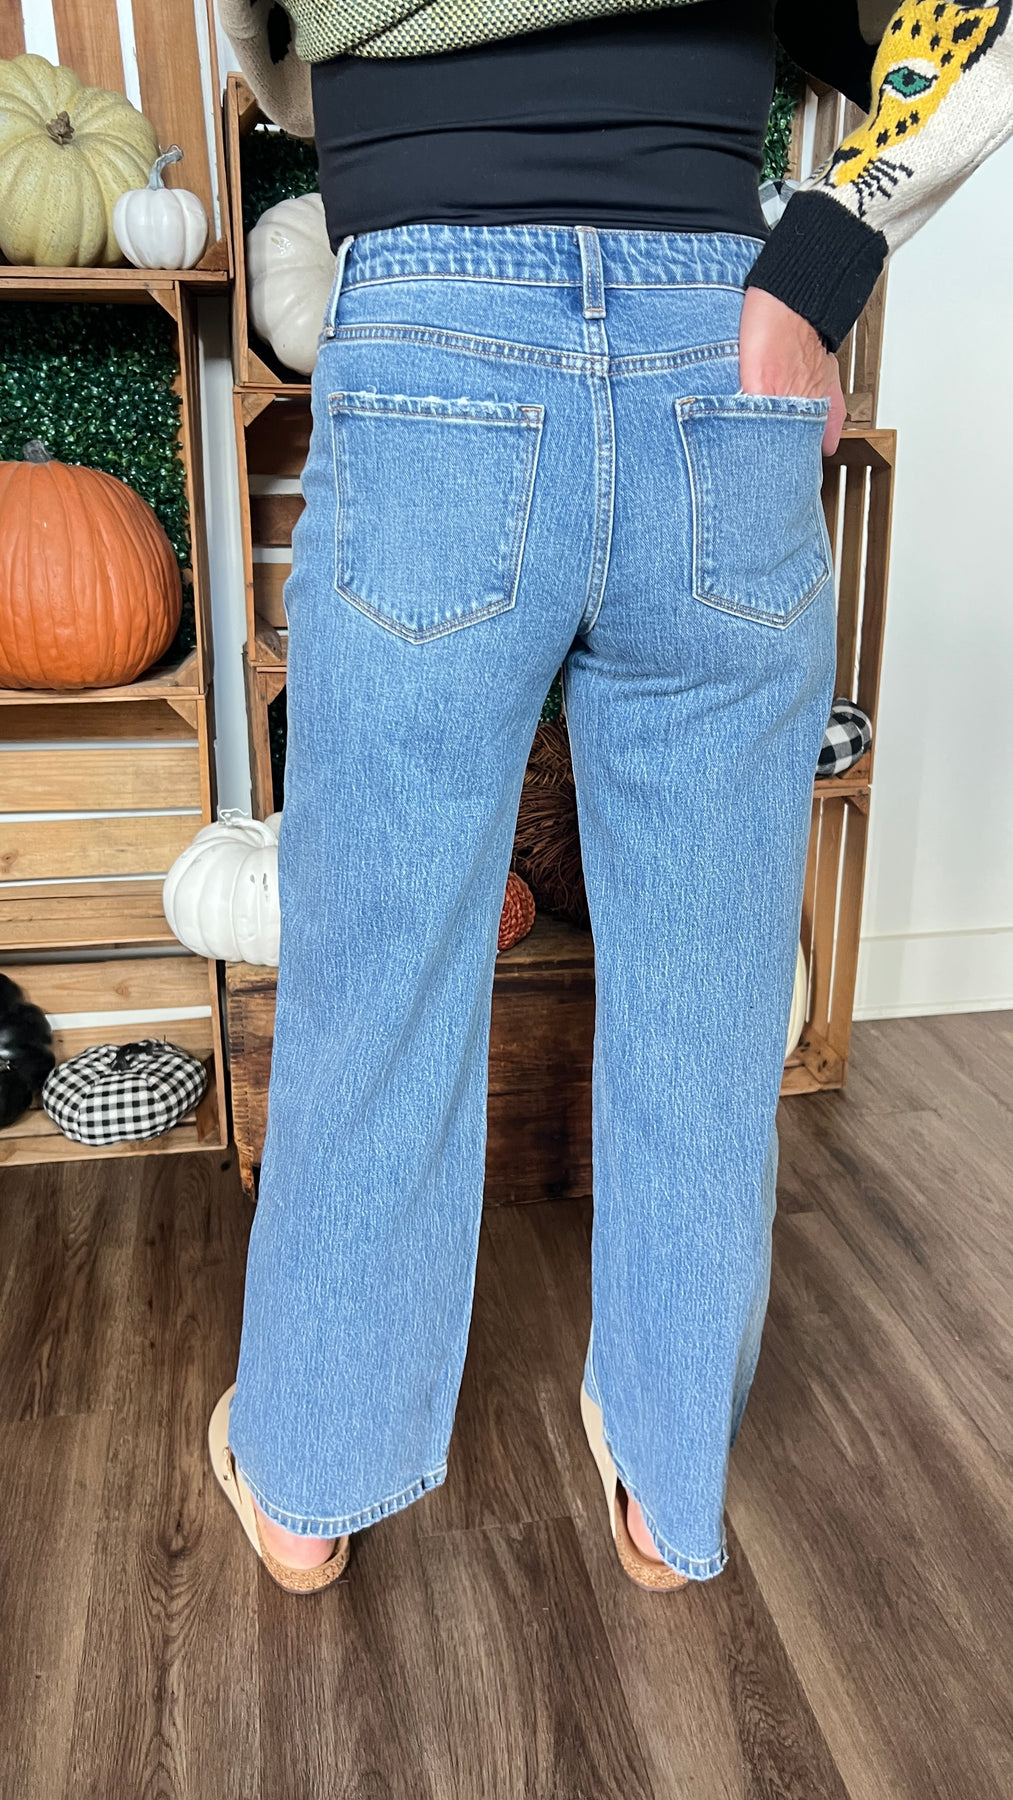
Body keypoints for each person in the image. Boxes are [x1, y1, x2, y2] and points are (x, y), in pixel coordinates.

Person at [210, 0, 1013, 1595]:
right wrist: (819, 266)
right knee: (710, 987)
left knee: (379, 964)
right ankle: (667, 1483)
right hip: (719, 333)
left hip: (433, 315)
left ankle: (308, 1480)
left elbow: (271, 38)